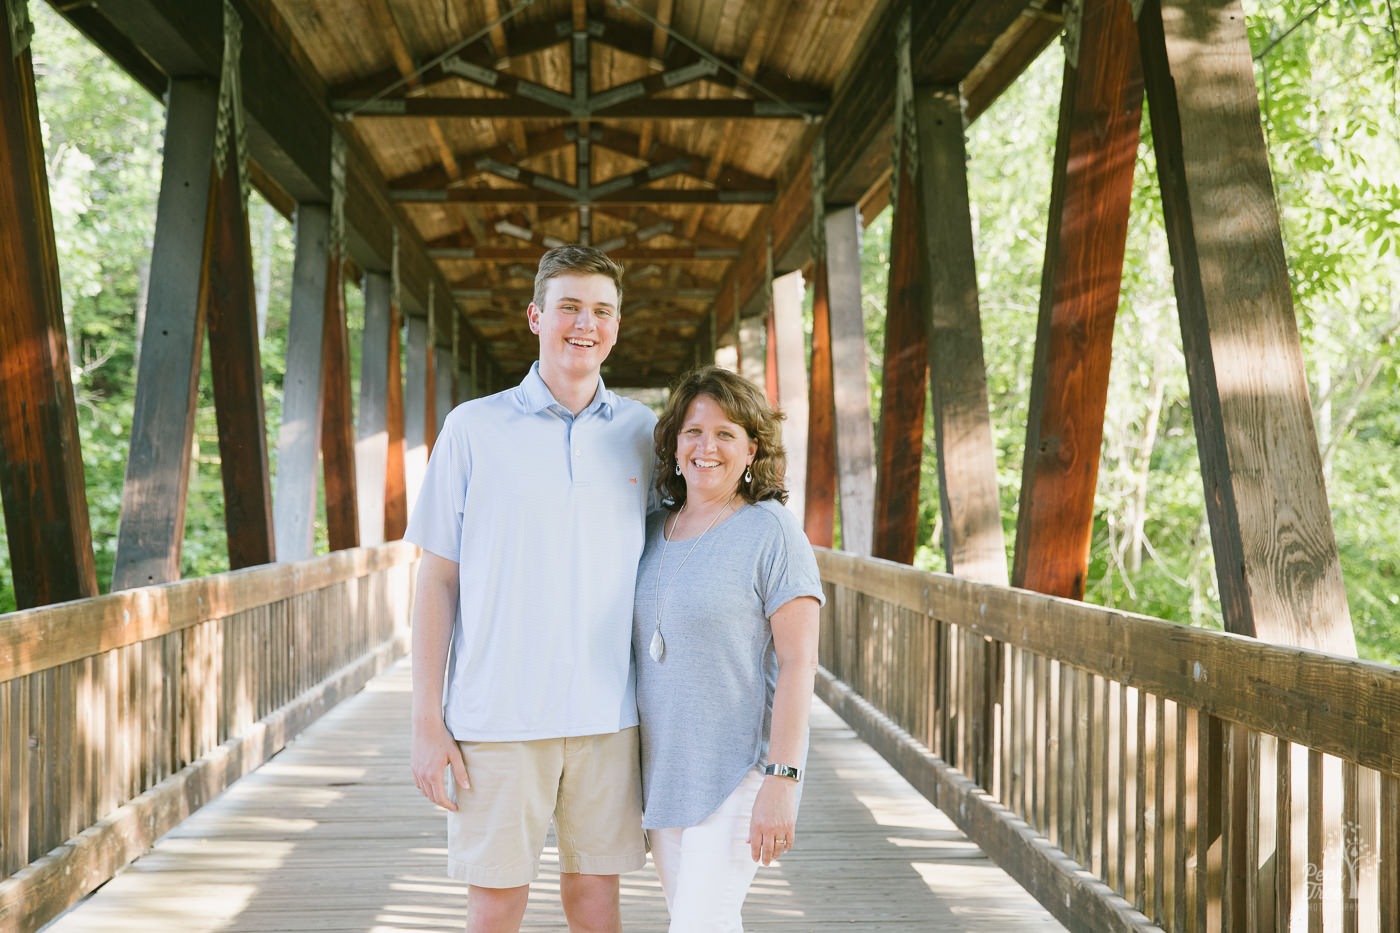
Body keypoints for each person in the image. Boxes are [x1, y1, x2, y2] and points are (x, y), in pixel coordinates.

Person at [406, 245, 656, 933]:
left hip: (609, 714)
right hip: (496, 718)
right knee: (495, 903)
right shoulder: (472, 428)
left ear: (617, 324)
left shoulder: (644, 434)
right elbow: (437, 578)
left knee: (597, 898)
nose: (586, 323)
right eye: (570, 306)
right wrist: (428, 719)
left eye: (602, 310)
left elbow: (692, 544)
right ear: (535, 316)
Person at [633, 365, 824, 932]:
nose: (706, 447)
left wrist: (782, 781)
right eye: (693, 431)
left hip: (739, 770)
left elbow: (798, 662)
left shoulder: (772, 531)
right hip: (663, 771)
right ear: (673, 444)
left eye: (725, 434)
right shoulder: (649, 530)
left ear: (751, 450)